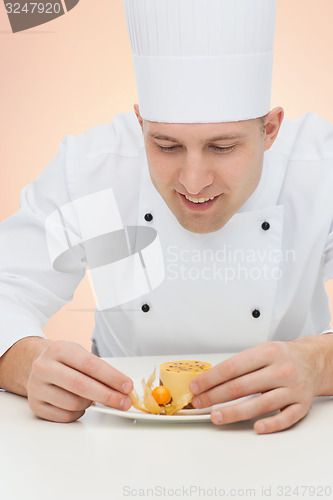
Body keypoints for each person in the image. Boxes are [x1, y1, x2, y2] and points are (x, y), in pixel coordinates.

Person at [1, 0, 333, 434]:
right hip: (118, 434)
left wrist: (320, 363)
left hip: (290, 435)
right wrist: (23, 360)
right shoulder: (93, 168)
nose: (193, 182)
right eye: (167, 146)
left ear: (269, 130)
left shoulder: (319, 165)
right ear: (141, 125)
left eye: (223, 147)